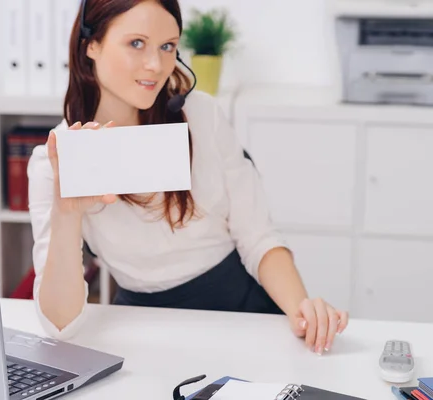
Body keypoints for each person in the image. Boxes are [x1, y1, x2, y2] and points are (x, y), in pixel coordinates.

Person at [27, 0, 349, 355]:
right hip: (144, 328)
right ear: (92, 44)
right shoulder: (53, 161)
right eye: (137, 43)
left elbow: (257, 236)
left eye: (167, 46)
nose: (156, 65)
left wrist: (301, 308)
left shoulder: (201, 115)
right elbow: (60, 323)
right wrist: (67, 213)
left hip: (242, 312)